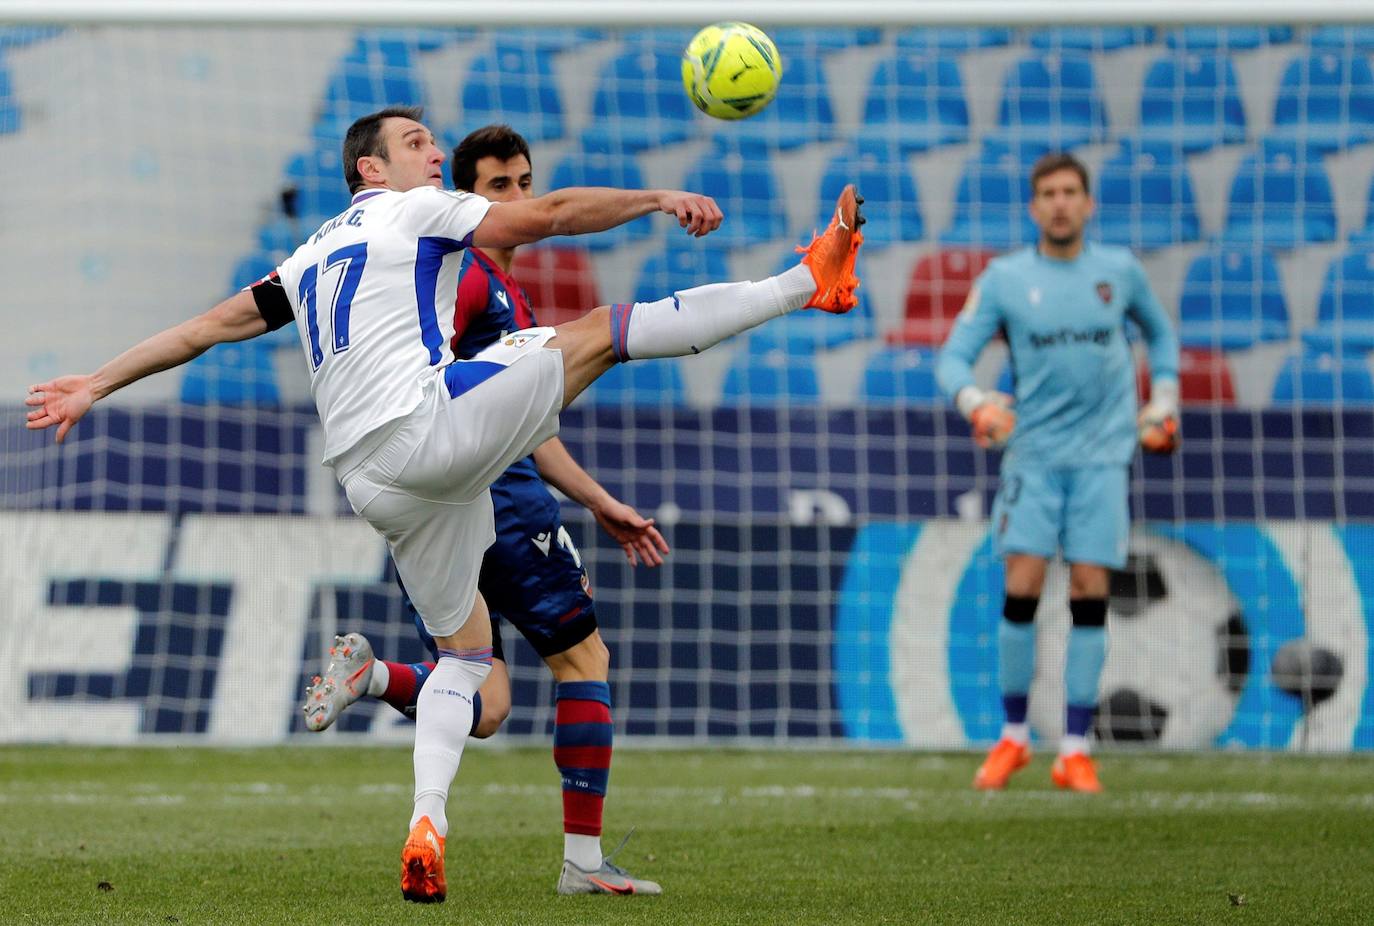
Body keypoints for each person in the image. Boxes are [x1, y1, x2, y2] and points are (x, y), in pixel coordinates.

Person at [25, 105, 865, 902]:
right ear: (371, 167)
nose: (435, 153)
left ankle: (427, 822)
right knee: (606, 329)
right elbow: (549, 217)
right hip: (427, 428)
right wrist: (655, 197)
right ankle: (806, 281)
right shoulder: (413, 212)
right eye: (418, 140)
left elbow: (207, 327)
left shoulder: (311, 254)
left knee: (465, 660)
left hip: (372, 483)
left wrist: (95, 382)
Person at [300, 124, 671, 896]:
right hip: (490, 496)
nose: (516, 200)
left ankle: (373, 679)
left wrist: (600, 501)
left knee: (486, 699)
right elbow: (468, 406)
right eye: (498, 187)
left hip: (432, 503)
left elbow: (526, 419)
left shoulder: (493, 283)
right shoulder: (463, 276)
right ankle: (584, 863)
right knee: (584, 661)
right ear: (462, 196)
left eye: (523, 182)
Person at [935, 151, 1178, 794]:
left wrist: (1165, 401)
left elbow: (1162, 335)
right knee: (1023, 584)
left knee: (1090, 591)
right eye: (1049, 193)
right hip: (1034, 458)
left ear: (1088, 203)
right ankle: (1014, 738)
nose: (1061, 202)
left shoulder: (1119, 272)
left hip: (1102, 459)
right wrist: (977, 403)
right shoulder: (1006, 279)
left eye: (1071, 191)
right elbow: (954, 359)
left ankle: (1074, 748)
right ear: (1033, 206)